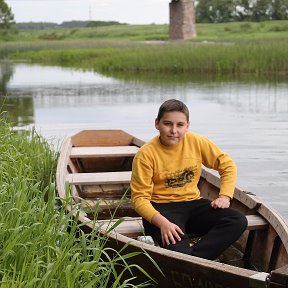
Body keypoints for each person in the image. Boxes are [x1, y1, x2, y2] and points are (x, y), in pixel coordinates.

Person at [130, 99, 247, 260]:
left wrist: (225, 196)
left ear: (187, 126)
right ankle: (192, 260)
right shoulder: (146, 154)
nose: (173, 130)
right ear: (157, 123)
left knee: (237, 220)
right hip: (161, 210)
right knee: (178, 249)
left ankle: (195, 260)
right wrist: (163, 223)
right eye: (167, 124)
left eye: (180, 125)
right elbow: (139, 199)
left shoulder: (196, 142)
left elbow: (227, 165)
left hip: (193, 204)